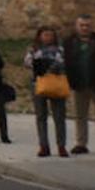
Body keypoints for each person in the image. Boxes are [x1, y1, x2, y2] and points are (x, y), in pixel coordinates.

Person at [61, 14, 95, 155]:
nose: (85, 28)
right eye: (82, 25)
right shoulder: (69, 42)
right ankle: (81, 143)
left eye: (87, 25)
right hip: (79, 83)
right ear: (77, 26)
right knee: (80, 116)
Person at [24, 26, 69, 157]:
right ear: (39, 36)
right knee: (41, 116)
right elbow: (27, 63)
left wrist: (48, 66)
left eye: (50, 35)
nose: (48, 38)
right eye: (45, 35)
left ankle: (61, 145)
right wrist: (41, 64)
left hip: (56, 83)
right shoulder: (33, 49)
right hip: (38, 84)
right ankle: (44, 145)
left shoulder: (60, 49)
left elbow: (63, 63)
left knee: (59, 116)